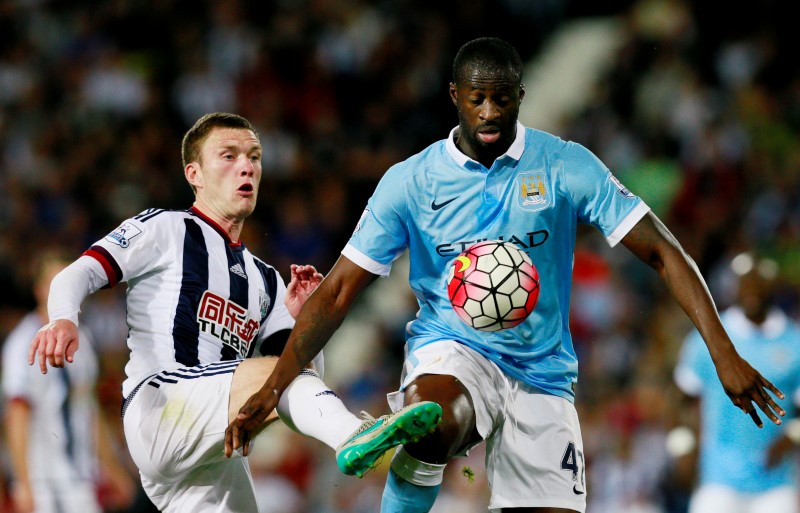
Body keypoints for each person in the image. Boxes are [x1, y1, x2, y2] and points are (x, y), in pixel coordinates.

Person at [225, 38, 785, 513]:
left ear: (521, 95)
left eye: (501, 98)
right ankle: (419, 438)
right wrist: (274, 387)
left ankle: (425, 443)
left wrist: (724, 352)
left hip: (542, 372)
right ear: (455, 98)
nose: (489, 111)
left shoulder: (565, 164)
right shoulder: (411, 181)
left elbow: (663, 251)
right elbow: (341, 289)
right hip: (452, 346)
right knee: (434, 414)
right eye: (476, 99)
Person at [28, 112, 442, 513]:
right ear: (194, 174)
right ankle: (354, 433)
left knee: (286, 371)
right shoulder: (165, 228)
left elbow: (301, 373)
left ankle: (351, 436)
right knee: (278, 376)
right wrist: (62, 317)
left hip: (216, 443)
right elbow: (77, 272)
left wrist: (301, 320)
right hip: (162, 406)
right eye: (228, 156)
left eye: (254, 157)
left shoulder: (266, 280)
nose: (246, 166)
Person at [2, 250, 136, 513]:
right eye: (55, 284)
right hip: (42, 481)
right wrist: (23, 484)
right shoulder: (22, 342)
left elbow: (88, 410)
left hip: (80, 478)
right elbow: (16, 415)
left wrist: (112, 468)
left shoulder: (82, 340)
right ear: (39, 289)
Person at [674, 252, 800, 513]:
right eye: (745, 281)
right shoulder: (707, 339)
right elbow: (680, 400)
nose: (751, 288)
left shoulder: (794, 342)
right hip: (718, 480)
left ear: (774, 286)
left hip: (776, 482)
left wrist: (791, 436)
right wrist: (683, 446)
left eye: (759, 281)